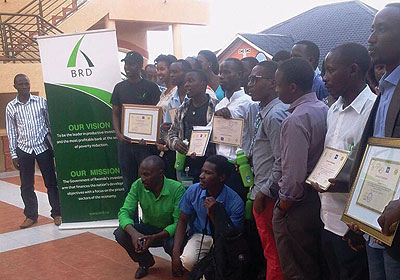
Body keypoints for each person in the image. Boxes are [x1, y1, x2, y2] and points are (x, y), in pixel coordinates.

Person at [311, 43, 375, 280]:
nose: (324, 78)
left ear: (353, 70)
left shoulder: (373, 109)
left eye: (330, 70)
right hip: (327, 216)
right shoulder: (333, 109)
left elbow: (375, 171)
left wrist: (358, 222)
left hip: (353, 225)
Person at [349, 3, 400, 279]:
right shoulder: (386, 89)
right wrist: (358, 209)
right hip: (375, 222)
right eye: (372, 30)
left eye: (381, 30)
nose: (371, 38)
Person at [272, 58, 328, 280]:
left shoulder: (295, 120)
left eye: (278, 85)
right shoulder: (323, 108)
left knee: (296, 267)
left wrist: (283, 206)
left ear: (292, 87)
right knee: (312, 263)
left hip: (298, 203)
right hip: (317, 199)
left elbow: (293, 175)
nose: (276, 90)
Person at [248, 61, 288, 280]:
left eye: (255, 79)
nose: (250, 84)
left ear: (272, 83)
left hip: (269, 195)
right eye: (250, 79)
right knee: (270, 251)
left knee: (274, 253)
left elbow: (282, 161)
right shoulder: (264, 111)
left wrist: (264, 191)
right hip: (263, 189)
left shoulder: (275, 115)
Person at [171, 155, 244, 276]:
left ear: (221, 178)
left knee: (223, 266)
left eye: (208, 173)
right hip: (200, 235)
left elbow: (231, 236)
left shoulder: (235, 202)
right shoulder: (193, 191)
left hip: (224, 240)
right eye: (202, 171)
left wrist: (215, 214)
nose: (201, 176)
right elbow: (183, 220)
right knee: (188, 261)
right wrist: (175, 252)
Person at [114, 156, 185, 279]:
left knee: (173, 245)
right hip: (149, 228)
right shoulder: (137, 185)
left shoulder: (177, 189)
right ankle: (145, 262)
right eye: (141, 174)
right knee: (121, 233)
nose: (142, 179)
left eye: (146, 175)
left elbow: (179, 222)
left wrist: (155, 237)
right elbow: (124, 212)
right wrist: (134, 233)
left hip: (170, 233)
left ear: (160, 174)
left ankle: (179, 262)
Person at [6, 74, 61, 228]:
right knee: (26, 185)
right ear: (15, 86)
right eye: (21, 84)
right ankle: (31, 215)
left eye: (27, 84)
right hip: (24, 150)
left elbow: (51, 125)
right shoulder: (11, 107)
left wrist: (54, 147)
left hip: (42, 148)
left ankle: (57, 213)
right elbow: (11, 132)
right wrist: (14, 154)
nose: (25, 87)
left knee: (51, 183)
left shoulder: (41, 102)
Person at [111, 51, 161, 194]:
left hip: (145, 145)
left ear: (140, 66)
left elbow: (157, 113)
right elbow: (115, 113)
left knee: (149, 183)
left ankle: (148, 216)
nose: (127, 67)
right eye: (126, 64)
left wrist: (151, 137)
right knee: (128, 183)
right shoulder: (119, 88)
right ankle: (131, 217)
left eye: (131, 64)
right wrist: (118, 133)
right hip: (125, 144)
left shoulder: (151, 87)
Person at [214, 58, 255, 201]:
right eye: (220, 72)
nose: (221, 76)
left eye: (226, 72)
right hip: (219, 164)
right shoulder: (220, 104)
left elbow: (253, 135)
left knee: (237, 209)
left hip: (239, 167)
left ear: (239, 74)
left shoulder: (249, 103)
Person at [168, 70, 218, 182]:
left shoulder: (216, 107)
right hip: (185, 164)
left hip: (209, 165)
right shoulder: (182, 109)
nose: (186, 85)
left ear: (203, 84)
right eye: (185, 82)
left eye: (190, 81)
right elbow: (172, 133)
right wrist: (176, 143)